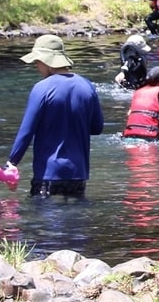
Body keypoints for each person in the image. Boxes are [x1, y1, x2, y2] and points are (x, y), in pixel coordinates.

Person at [7, 35, 104, 198]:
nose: (37, 66)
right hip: (78, 174)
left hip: (48, 173)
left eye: (37, 61)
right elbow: (97, 128)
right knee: (75, 221)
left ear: (47, 62)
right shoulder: (87, 86)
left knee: (44, 220)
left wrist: (11, 163)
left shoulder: (41, 88)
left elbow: (26, 132)